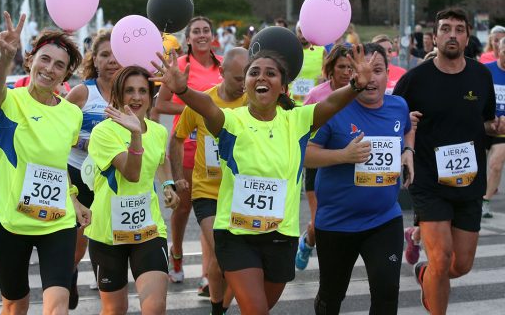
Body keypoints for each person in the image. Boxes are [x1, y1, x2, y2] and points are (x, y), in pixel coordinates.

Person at [151, 43, 375, 314]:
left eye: (271, 73)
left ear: (282, 87)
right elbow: (208, 106)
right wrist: (183, 91)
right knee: (257, 310)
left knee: (258, 309)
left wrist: (356, 85)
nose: (261, 77)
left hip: (281, 235)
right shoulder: (232, 121)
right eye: (254, 72)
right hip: (236, 234)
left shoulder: (298, 120)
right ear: (245, 84)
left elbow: (329, 103)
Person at [393, 8, 504, 314]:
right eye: (445, 29)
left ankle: (425, 274)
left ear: (468, 37)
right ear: (435, 36)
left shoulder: (480, 76)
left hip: (469, 181)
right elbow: (393, 121)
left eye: (458, 29)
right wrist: (406, 130)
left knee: (461, 265)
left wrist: (494, 128)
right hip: (429, 181)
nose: (452, 35)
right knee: (441, 259)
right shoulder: (415, 80)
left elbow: (484, 122)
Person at [0, 12, 91, 314]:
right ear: (30, 61)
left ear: (67, 73)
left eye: (59, 65)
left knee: (57, 305)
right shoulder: (10, 101)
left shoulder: (72, 114)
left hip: (56, 221)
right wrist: (4, 57)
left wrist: (75, 201)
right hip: (10, 222)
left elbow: (58, 168)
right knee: (15, 304)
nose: (50, 69)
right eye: (44, 59)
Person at [305, 43, 414, 315]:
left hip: (384, 218)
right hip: (337, 222)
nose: (370, 77)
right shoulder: (332, 109)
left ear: (388, 75)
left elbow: (409, 129)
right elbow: (305, 154)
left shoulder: (398, 106)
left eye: (377, 70)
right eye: (362, 70)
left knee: (387, 293)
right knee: (332, 297)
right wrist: (344, 155)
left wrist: (408, 151)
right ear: (352, 76)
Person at [85, 66, 180, 315]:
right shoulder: (103, 132)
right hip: (107, 234)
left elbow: (161, 160)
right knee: (115, 310)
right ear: (117, 95)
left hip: (148, 230)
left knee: (155, 307)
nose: (136, 97)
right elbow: (131, 172)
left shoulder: (158, 131)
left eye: (142, 91)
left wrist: (168, 185)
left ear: (151, 97)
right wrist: (135, 134)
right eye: (129, 91)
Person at [170, 48, 248, 311]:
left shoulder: (253, 104)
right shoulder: (203, 102)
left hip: (241, 193)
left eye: (247, 76)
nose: (244, 83)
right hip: (208, 193)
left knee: (222, 261)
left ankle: (219, 307)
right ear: (222, 72)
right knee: (224, 252)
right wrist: (178, 177)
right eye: (239, 78)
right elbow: (177, 138)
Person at [154, 16, 223, 284]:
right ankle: (178, 254)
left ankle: (208, 273)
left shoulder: (221, 67)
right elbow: (161, 105)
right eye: (196, 31)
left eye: (206, 30)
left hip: (215, 150)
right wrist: (196, 108)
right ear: (189, 38)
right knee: (182, 208)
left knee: (211, 210)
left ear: (212, 35)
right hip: (185, 147)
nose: (202, 35)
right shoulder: (180, 65)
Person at [65, 32, 120, 308]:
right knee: (77, 247)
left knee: (109, 239)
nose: (111, 60)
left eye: (116, 54)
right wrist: (90, 142)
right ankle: (70, 274)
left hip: (112, 178)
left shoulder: (131, 92)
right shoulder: (83, 93)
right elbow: (59, 131)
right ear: (94, 60)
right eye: (105, 55)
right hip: (79, 175)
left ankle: (108, 287)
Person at [295, 44, 353, 270]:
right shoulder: (316, 95)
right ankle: (308, 242)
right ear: (331, 68)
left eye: (350, 67)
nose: (347, 72)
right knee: (319, 220)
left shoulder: (359, 93)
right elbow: (301, 128)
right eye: (341, 67)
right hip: (318, 161)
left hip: (347, 161)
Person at [482, 36, 505, 218]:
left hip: (503, 128)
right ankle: (473, 195)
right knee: (477, 163)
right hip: (483, 123)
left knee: (496, 164)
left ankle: (486, 201)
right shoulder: (486, 71)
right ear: (498, 50)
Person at [291, 24, 327, 105]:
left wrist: (324, 78)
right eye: (300, 31)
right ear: (296, 32)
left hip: (312, 103)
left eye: (305, 32)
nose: (303, 36)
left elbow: (326, 74)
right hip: (292, 103)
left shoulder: (321, 50)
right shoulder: (290, 49)